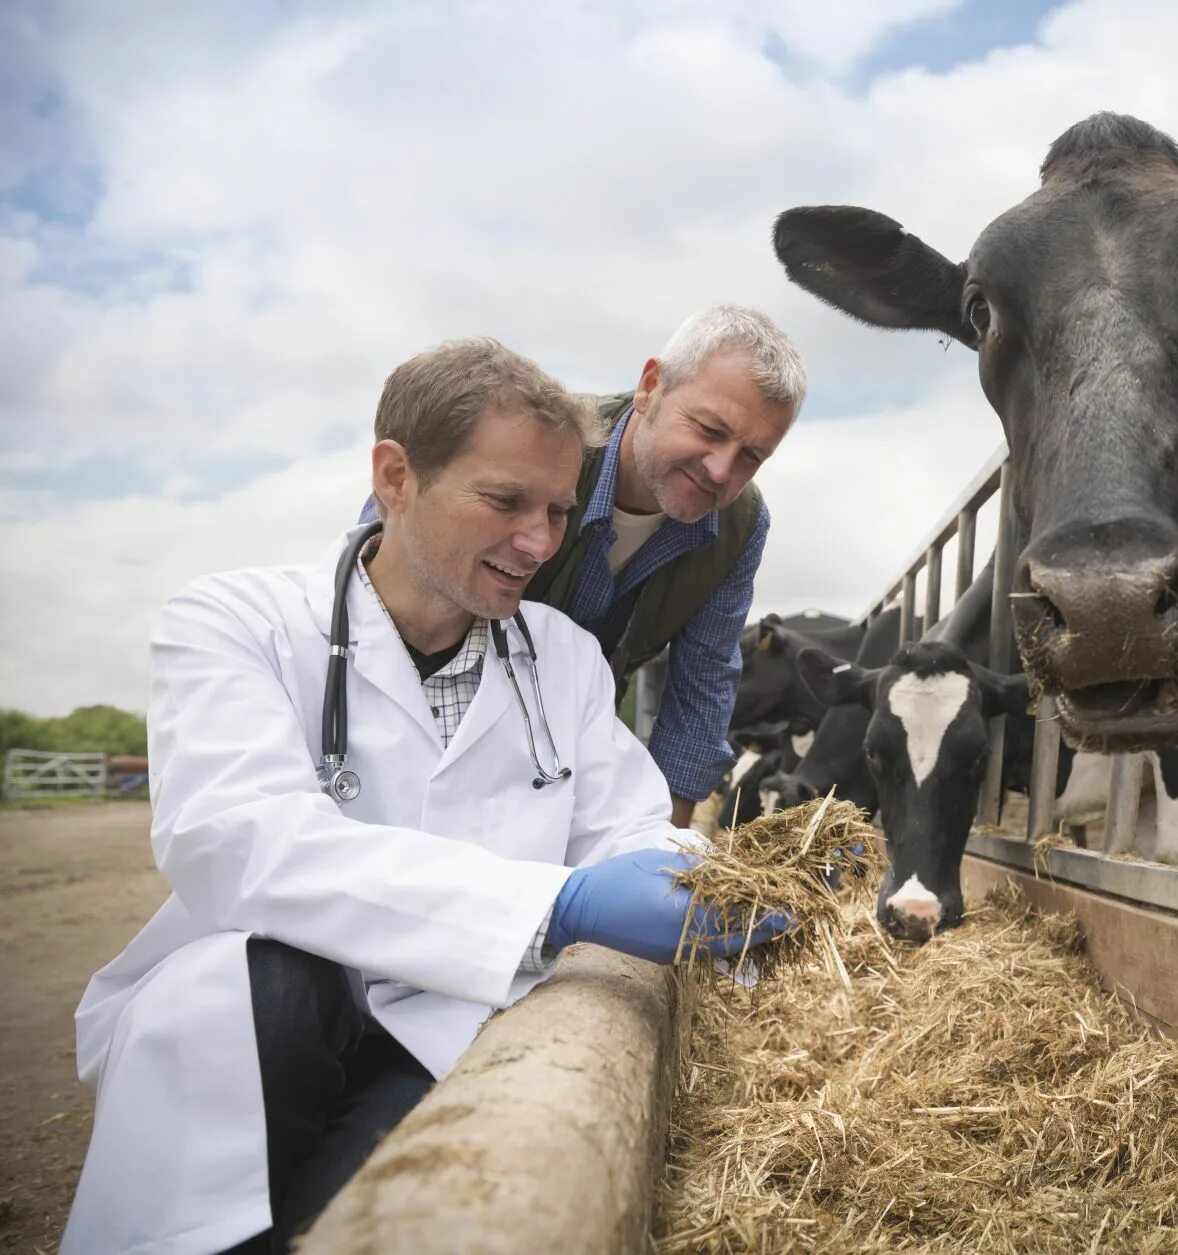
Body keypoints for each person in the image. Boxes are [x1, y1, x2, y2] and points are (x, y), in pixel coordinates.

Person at [63, 340, 789, 1255]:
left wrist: (753, 888)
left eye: (561, 510)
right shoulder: (236, 622)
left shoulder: (561, 655)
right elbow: (234, 837)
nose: (539, 542)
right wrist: (553, 902)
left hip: (438, 1018)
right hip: (248, 1031)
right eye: (504, 501)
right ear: (395, 476)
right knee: (274, 1003)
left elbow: (632, 829)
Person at [359, 305, 804, 828]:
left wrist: (660, 857)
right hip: (432, 708)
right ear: (651, 386)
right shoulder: (542, 443)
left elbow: (703, 682)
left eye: (752, 456)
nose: (721, 470)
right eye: (708, 430)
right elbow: (394, 554)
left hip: (572, 742)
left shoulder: (739, 525)